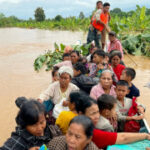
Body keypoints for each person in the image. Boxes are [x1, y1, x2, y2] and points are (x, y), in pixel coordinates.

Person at [78, 95, 150, 149]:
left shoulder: (82, 125)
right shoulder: (105, 125)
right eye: (114, 109)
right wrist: (145, 135)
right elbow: (119, 138)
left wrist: (141, 106)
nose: (115, 112)